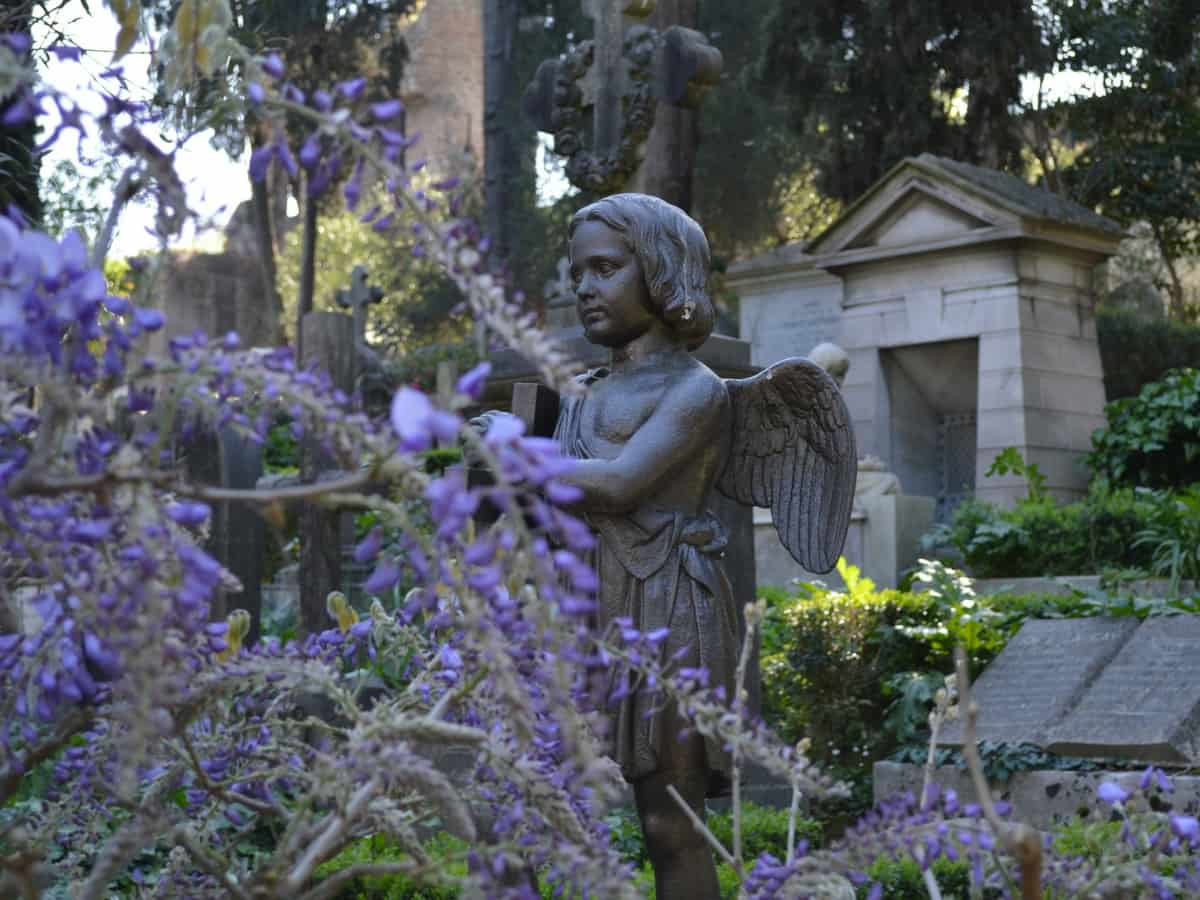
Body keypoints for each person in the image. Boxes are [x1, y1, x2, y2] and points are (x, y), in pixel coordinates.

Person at [554, 193, 735, 900]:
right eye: (577, 274)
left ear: (660, 272)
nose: (584, 288)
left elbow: (624, 482)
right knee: (551, 812)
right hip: (586, 605)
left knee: (669, 825)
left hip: (667, 614)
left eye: (604, 268)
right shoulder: (584, 394)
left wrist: (519, 460)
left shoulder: (698, 390)